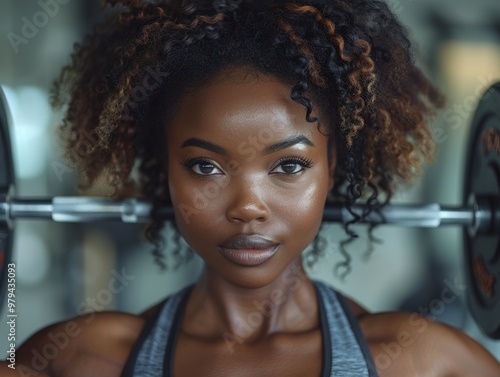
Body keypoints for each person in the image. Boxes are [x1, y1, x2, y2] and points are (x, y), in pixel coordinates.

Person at [2, 0, 500, 376]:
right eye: (204, 166)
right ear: (164, 168)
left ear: (333, 167)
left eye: (287, 166)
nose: (247, 208)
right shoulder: (79, 359)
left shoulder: (427, 363)